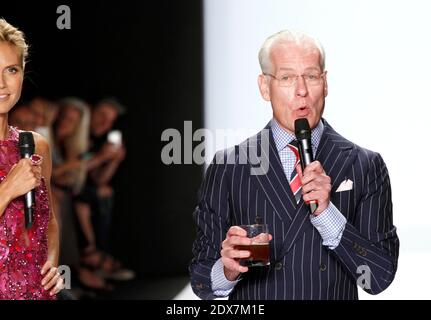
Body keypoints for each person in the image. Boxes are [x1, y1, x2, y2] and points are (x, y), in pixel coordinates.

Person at [189, 29, 399, 300]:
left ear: (325, 83)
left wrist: (327, 215)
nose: (302, 91)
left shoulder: (365, 165)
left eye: (311, 77)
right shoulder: (229, 166)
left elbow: (378, 277)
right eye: (287, 78)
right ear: (265, 87)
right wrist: (228, 269)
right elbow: (200, 280)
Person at [0, 18, 63, 299]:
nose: (2, 83)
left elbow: (47, 220)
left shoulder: (36, 145)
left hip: (37, 291)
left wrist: (51, 262)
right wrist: (8, 188)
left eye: (10, 70)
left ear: (22, 74)